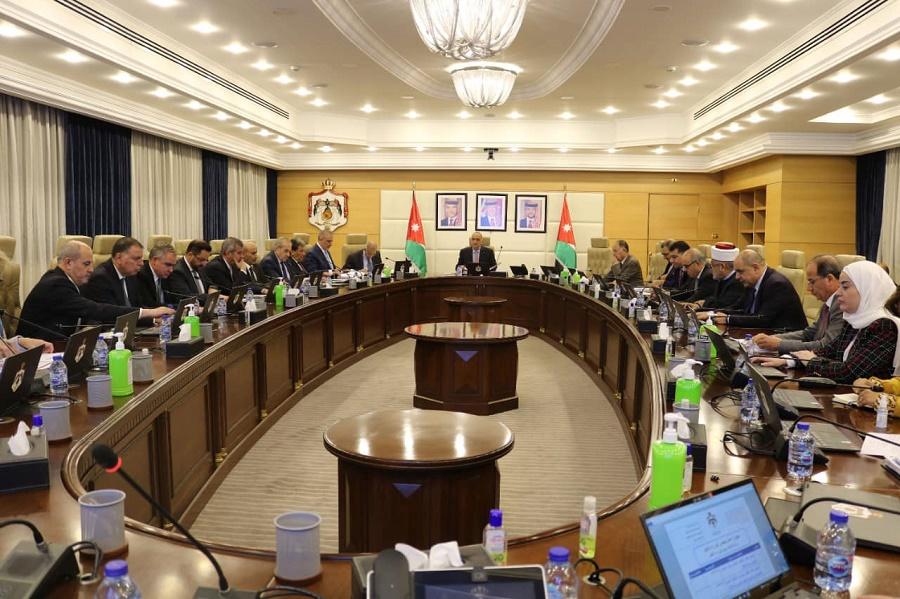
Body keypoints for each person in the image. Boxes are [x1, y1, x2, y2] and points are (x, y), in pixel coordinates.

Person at [753, 261, 900, 384]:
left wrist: (811, 361)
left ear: (867, 289)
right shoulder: (854, 320)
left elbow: (850, 372)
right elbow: (830, 350)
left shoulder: (883, 325)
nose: (839, 292)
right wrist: (788, 360)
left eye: (845, 287)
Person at [18, 241, 172, 339]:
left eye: (91, 264)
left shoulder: (67, 281)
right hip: (40, 352)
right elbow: (95, 309)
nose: (92, 270)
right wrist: (148, 312)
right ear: (68, 263)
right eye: (86, 264)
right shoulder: (55, 284)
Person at [752, 255, 844, 353]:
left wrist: (779, 344)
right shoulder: (829, 302)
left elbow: (825, 346)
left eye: (812, 282)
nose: (809, 288)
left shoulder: (841, 305)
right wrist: (771, 339)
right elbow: (809, 334)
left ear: (829, 279)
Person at [700, 249, 807, 330]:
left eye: (740, 272)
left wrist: (728, 319)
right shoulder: (751, 282)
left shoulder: (777, 284)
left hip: (784, 337)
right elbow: (738, 308)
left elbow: (763, 319)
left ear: (755, 268)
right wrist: (711, 314)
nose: (737, 277)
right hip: (763, 333)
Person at [82, 236, 145, 308]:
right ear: (119, 258)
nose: (141, 263)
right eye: (136, 259)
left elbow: (139, 306)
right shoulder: (100, 278)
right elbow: (111, 311)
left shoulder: (131, 275)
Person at [692, 242, 744, 310]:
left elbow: (723, 305)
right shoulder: (721, 278)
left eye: (712, 265)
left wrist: (703, 304)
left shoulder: (737, 282)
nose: (710, 268)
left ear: (722, 267)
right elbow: (715, 299)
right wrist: (701, 303)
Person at [135, 243, 176, 308]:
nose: (171, 270)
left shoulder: (166, 275)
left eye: (173, 266)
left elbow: (174, 298)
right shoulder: (140, 275)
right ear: (155, 260)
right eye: (168, 265)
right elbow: (148, 305)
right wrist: (171, 307)